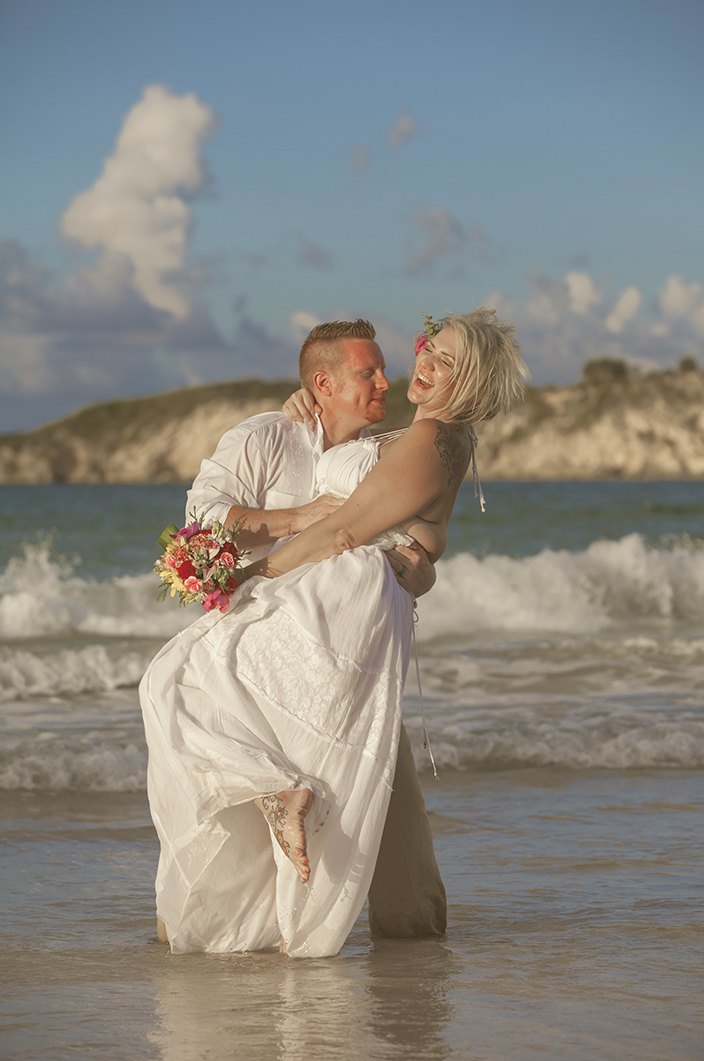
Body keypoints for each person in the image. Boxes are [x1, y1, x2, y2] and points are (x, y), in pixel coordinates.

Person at [140, 307, 527, 958]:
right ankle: (338, 898)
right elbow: (209, 513)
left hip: (336, 597)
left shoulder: (434, 439)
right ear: (322, 385)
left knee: (178, 679)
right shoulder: (293, 432)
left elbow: (354, 528)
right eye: (421, 353)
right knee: (337, 756)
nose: (407, 371)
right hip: (336, 602)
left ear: (472, 382)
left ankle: (285, 829)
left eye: (441, 361)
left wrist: (255, 576)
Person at [183, 320, 446, 940]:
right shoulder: (266, 436)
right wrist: (294, 519)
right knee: (235, 853)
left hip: (356, 674)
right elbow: (201, 525)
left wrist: (420, 568)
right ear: (323, 383)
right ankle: (235, 957)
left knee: (407, 885)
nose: (387, 381)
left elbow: (420, 549)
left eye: (385, 369)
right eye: (368, 372)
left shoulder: (386, 454)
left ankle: (416, 992)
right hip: (267, 668)